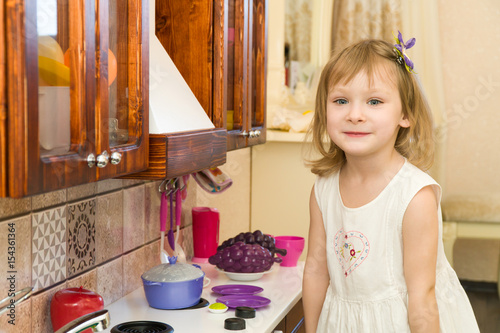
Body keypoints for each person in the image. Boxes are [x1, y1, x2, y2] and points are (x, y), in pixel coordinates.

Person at [302, 34, 479, 332]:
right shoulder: (324, 189)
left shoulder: (414, 196)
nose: (355, 115)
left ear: (405, 114)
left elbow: (422, 300)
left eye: (374, 101)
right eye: (341, 100)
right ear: (324, 110)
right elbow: (316, 270)